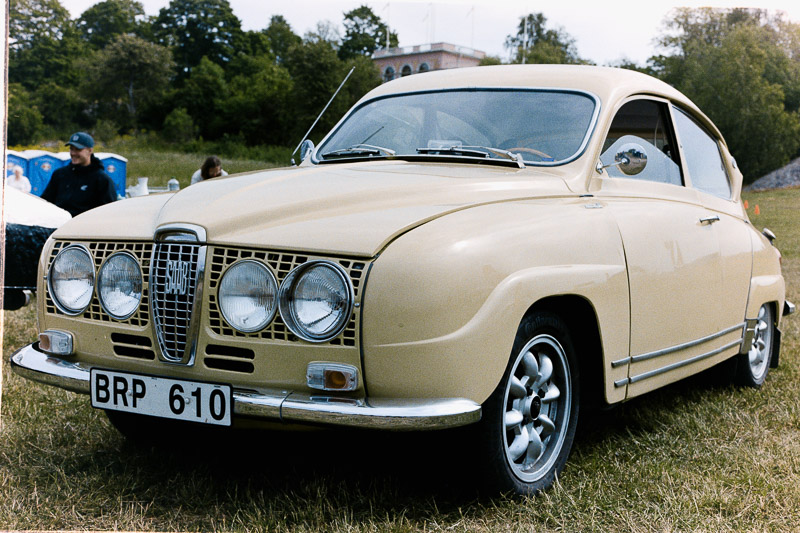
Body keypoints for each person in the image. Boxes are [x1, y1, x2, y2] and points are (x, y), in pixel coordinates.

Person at [41, 132, 117, 217]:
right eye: (71, 149)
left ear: (90, 150)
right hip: (59, 224)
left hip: (85, 224)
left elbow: (108, 213)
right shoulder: (60, 174)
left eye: (78, 149)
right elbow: (45, 202)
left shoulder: (102, 180)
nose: (73, 153)